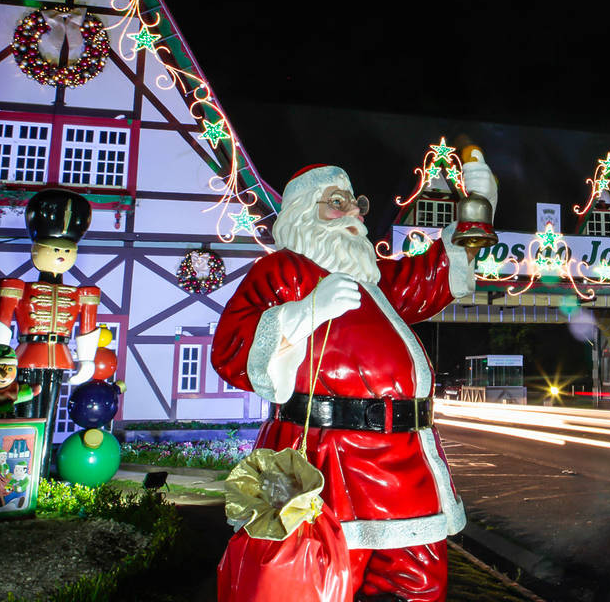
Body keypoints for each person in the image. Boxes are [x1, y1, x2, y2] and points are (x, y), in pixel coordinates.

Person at [212, 157, 495, 602]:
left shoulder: (373, 280)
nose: (354, 214)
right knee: (322, 576)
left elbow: (424, 281)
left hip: (404, 459)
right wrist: (306, 311)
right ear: (303, 214)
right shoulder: (283, 271)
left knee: (419, 582)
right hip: (324, 457)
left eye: (355, 203)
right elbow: (232, 348)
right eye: (336, 203)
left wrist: (475, 217)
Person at [0, 190, 102, 446]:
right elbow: (2, 321)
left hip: (59, 356)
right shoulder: (18, 288)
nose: (61, 255)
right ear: (37, 250)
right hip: (27, 353)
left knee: (49, 412)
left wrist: (86, 360)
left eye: (67, 251)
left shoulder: (82, 294)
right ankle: (21, 454)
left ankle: (42, 454)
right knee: (23, 408)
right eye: (54, 249)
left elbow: (87, 328)